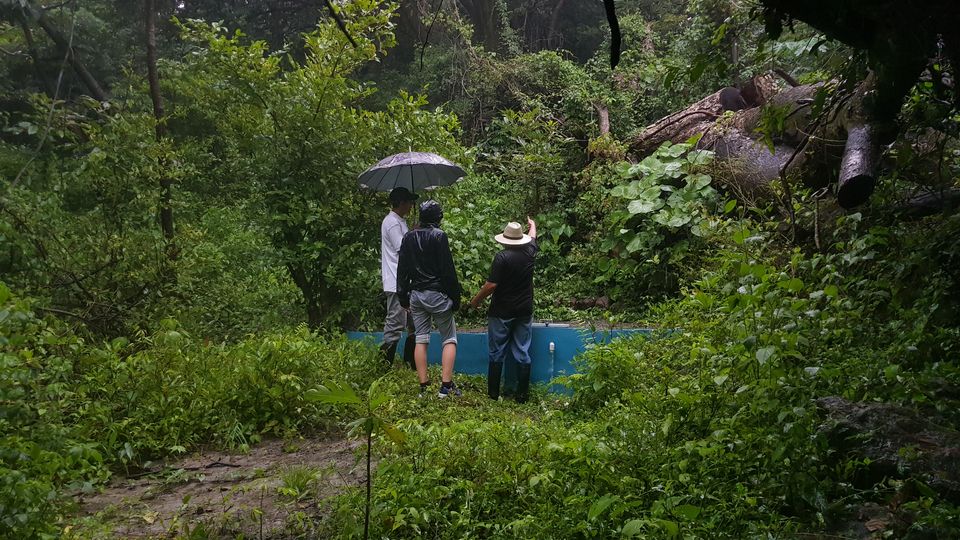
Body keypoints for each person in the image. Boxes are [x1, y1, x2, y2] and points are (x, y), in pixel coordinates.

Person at [397, 200, 463, 398]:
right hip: (437, 295)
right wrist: (455, 297)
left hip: (416, 295)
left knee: (421, 338)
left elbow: (402, 269)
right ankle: (446, 386)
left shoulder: (408, 237)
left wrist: (403, 297)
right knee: (449, 338)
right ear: (438, 218)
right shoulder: (439, 236)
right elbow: (447, 270)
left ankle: (424, 387)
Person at [469, 217, 538, 403]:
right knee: (522, 351)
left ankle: (493, 394)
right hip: (524, 309)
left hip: (502, 311)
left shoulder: (502, 257)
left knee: (497, 351)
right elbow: (533, 237)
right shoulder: (530, 251)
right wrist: (533, 225)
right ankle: (522, 395)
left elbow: (491, 285)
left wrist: (475, 301)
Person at [380, 187, 418, 369]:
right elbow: (402, 249)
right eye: (410, 202)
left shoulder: (399, 221)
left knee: (414, 323)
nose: (411, 205)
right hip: (397, 281)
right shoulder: (393, 223)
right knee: (395, 324)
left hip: (404, 281)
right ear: (402, 203)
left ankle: (409, 363)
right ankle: (383, 365)